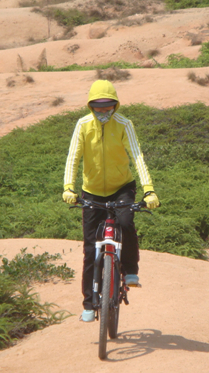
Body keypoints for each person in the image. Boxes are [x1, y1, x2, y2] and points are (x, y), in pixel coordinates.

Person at [63, 80, 160, 323]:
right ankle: (88, 304)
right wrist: (68, 187)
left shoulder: (124, 124)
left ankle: (130, 270)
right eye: (98, 107)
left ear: (115, 105)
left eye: (108, 107)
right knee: (89, 249)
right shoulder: (83, 125)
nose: (103, 112)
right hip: (92, 191)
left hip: (121, 188)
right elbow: (73, 157)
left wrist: (149, 190)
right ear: (90, 106)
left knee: (125, 223)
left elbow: (137, 156)